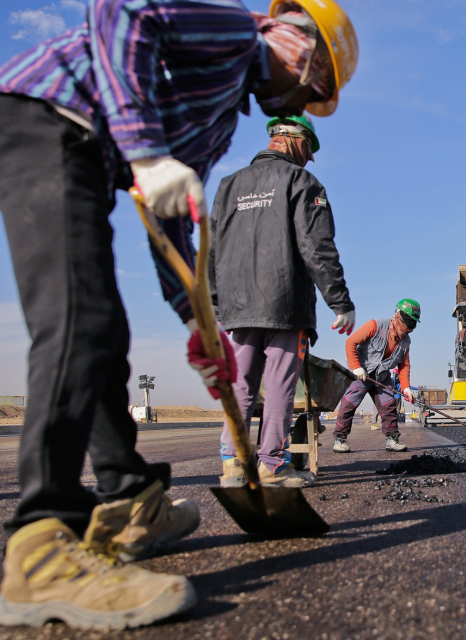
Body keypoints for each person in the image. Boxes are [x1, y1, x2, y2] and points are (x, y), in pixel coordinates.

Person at [0, 0, 357, 629]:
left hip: (85, 150)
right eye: (313, 84)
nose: (301, 98)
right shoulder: (233, 33)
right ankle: (41, 546)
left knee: (103, 331)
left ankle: (128, 498)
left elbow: (168, 211)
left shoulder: (221, 119)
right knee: (78, 323)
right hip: (43, 119)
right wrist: (142, 152)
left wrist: (196, 319)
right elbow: (118, 15)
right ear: (299, 48)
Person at [211, 114, 354, 488]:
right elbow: (317, 247)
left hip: (237, 306)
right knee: (278, 386)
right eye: (310, 149)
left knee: (240, 383)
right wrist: (340, 301)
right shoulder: (301, 181)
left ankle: (233, 464)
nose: (310, 158)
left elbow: (212, 249)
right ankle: (271, 465)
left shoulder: (228, 186)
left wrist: (215, 302)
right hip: (284, 303)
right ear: (295, 139)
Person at [334, 300, 420, 453]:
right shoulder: (375, 325)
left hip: (382, 376)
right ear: (397, 316)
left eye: (412, 325)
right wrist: (356, 367)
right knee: (349, 404)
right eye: (407, 323)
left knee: (389, 407)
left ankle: (392, 440)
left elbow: (404, 365)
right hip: (362, 372)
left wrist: (406, 388)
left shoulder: (406, 340)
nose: (408, 328)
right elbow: (351, 342)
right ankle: (340, 439)